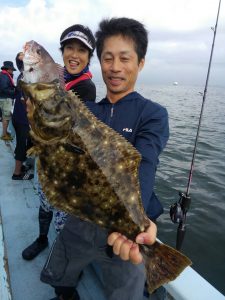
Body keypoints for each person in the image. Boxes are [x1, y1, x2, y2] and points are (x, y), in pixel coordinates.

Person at [40, 17, 169, 300]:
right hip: (81, 218)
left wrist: (138, 220)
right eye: (108, 58)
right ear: (99, 63)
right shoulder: (86, 110)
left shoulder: (153, 114)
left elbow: (145, 163)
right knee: (60, 273)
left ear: (141, 62)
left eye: (125, 58)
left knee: (126, 293)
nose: (115, 67)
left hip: (124, 230)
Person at [22, 24, 96, 260]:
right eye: (69, 48)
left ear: (88, 57)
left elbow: (72, 126)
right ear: (62, 52)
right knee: (44, 202)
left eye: (82, 51)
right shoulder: (55, 74)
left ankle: (66, 262)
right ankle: (42, 239)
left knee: (63, 215)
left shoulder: (86, 87)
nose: (74, 55)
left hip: (66, 162)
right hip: (45, 152)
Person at [11, 52, 34, 180]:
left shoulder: (21, 76)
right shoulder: (26, 77)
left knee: (21, 143)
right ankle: (17, 173)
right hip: (22, 119)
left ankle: (21, 166)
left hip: (17, 117)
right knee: (21, 145)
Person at [0, 61, 16, 141]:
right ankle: (4, 135)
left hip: (3, 98)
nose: (12, 71)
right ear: (8, 69)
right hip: (6, 99)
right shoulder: (5, 76)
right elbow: (4, 88)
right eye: (12, 70)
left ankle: (5, 132)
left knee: (4, 116)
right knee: (6, 117)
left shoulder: (3, 74)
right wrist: (14, 92)